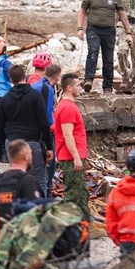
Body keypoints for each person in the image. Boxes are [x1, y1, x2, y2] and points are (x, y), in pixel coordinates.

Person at [0, 65, 53, 194]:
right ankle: (38, 210)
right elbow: (44, 123)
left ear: (11, 79)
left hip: (13, 143)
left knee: (16, 177)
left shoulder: (5, 99)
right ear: (25, 76)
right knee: (38, 180)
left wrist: (7, 141)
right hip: (32, 143)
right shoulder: (35, 96)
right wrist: (49, 147)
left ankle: (15, 208)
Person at [77, 0, 135, 94]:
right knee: (93, 52)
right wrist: (80, 28)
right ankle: (88, 80)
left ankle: (107, 85)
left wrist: (128, 32)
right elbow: (82, 11)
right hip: (93, 29)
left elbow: (122, 15)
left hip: (109, 31)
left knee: (108, 58)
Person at [54, 73, 89, 219]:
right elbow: (67, 134)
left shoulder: (67, 105)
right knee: (74, 193)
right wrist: (76, 157)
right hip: (71, 157)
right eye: (78, 85)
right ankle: (71, 226)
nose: (81, 88)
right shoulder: (68, 108)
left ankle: (86, 223)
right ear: (69, 88)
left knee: (81, 191)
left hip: (73, 155)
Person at [0, 139, 43, 238]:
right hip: (22, 243)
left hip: (4, 241)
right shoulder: (28, 181)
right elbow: (35, 216)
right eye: (31, 154)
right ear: (25, 155)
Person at [32, 64, 62, 198]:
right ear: (57, 77)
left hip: (30, 131)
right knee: (47, 167)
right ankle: (46, 196)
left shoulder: (35, 85)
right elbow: (47, 115)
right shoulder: (47, 89)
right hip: (42, 133)